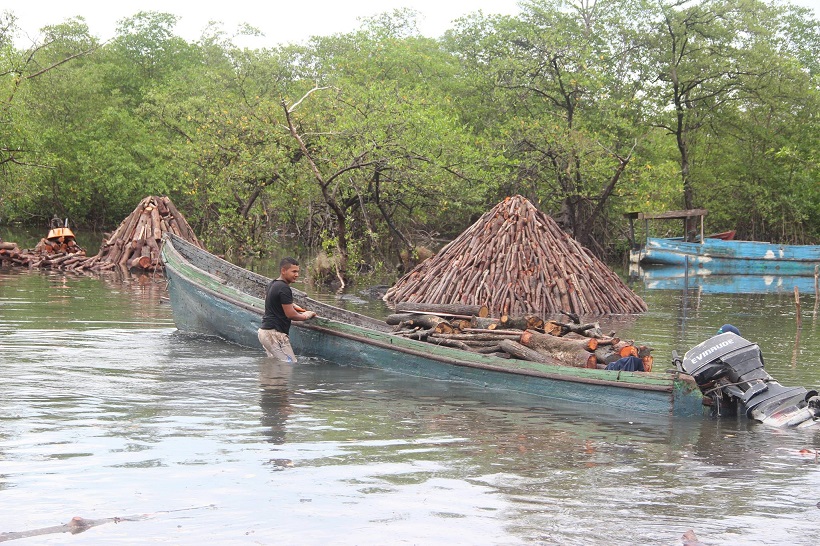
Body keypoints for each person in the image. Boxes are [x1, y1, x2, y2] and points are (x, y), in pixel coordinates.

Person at [257, 257, 316, 362]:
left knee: (274, 366)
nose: (297, 275)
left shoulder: (273, 284)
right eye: (294, 271)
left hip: (264, 332)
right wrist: (306, 315)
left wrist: (292, 305)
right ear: (283, 271)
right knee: (289, 364)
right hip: (274, 335)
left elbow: (271, 299)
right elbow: (291, 315)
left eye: (298, 272)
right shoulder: (284, 288)